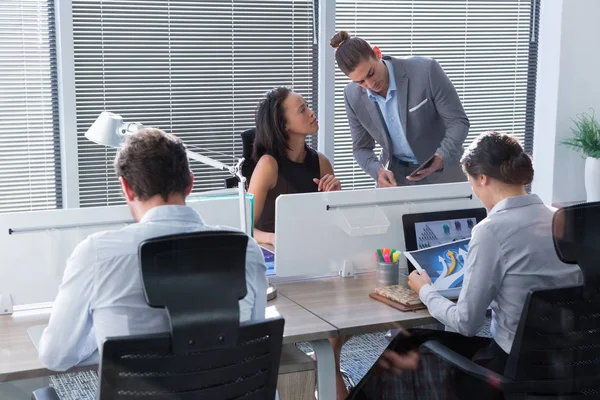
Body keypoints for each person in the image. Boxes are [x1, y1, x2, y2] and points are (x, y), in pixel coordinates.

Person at [351, 131, 583, 399]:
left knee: (411, 342)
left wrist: (425, 290)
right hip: (569, 364)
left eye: (471, 182)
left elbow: (466, 323)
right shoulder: (561, 221)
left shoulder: (492, 230)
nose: (473, 190)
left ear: (482, 178)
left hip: (512, 371)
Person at [38, 128, 268, 371]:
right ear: (190, 183)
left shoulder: (97, 254)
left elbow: (56, 356)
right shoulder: (245, 248)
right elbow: (251, 341)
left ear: (126, 188)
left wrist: (101, 328)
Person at [330, 30, 469, 188]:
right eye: (361, 82)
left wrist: (441, 156)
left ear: (377, 52)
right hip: (397, 178)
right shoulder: (351, 96)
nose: (370, 85)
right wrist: (377, 171)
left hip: (445, 171)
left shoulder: (426, 70)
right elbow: (361, 148)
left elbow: (458, 122)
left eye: (371, 73)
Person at [249, 87, 341, 246]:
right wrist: (272, 238)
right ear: (284, 124)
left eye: (307, 106)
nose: (311, 112)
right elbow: (244, 226)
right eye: (302, 110)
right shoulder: (268, 165)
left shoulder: (321, 162)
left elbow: (336, 223)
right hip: (275, 255)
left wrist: (337, 196)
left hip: (312, 249)